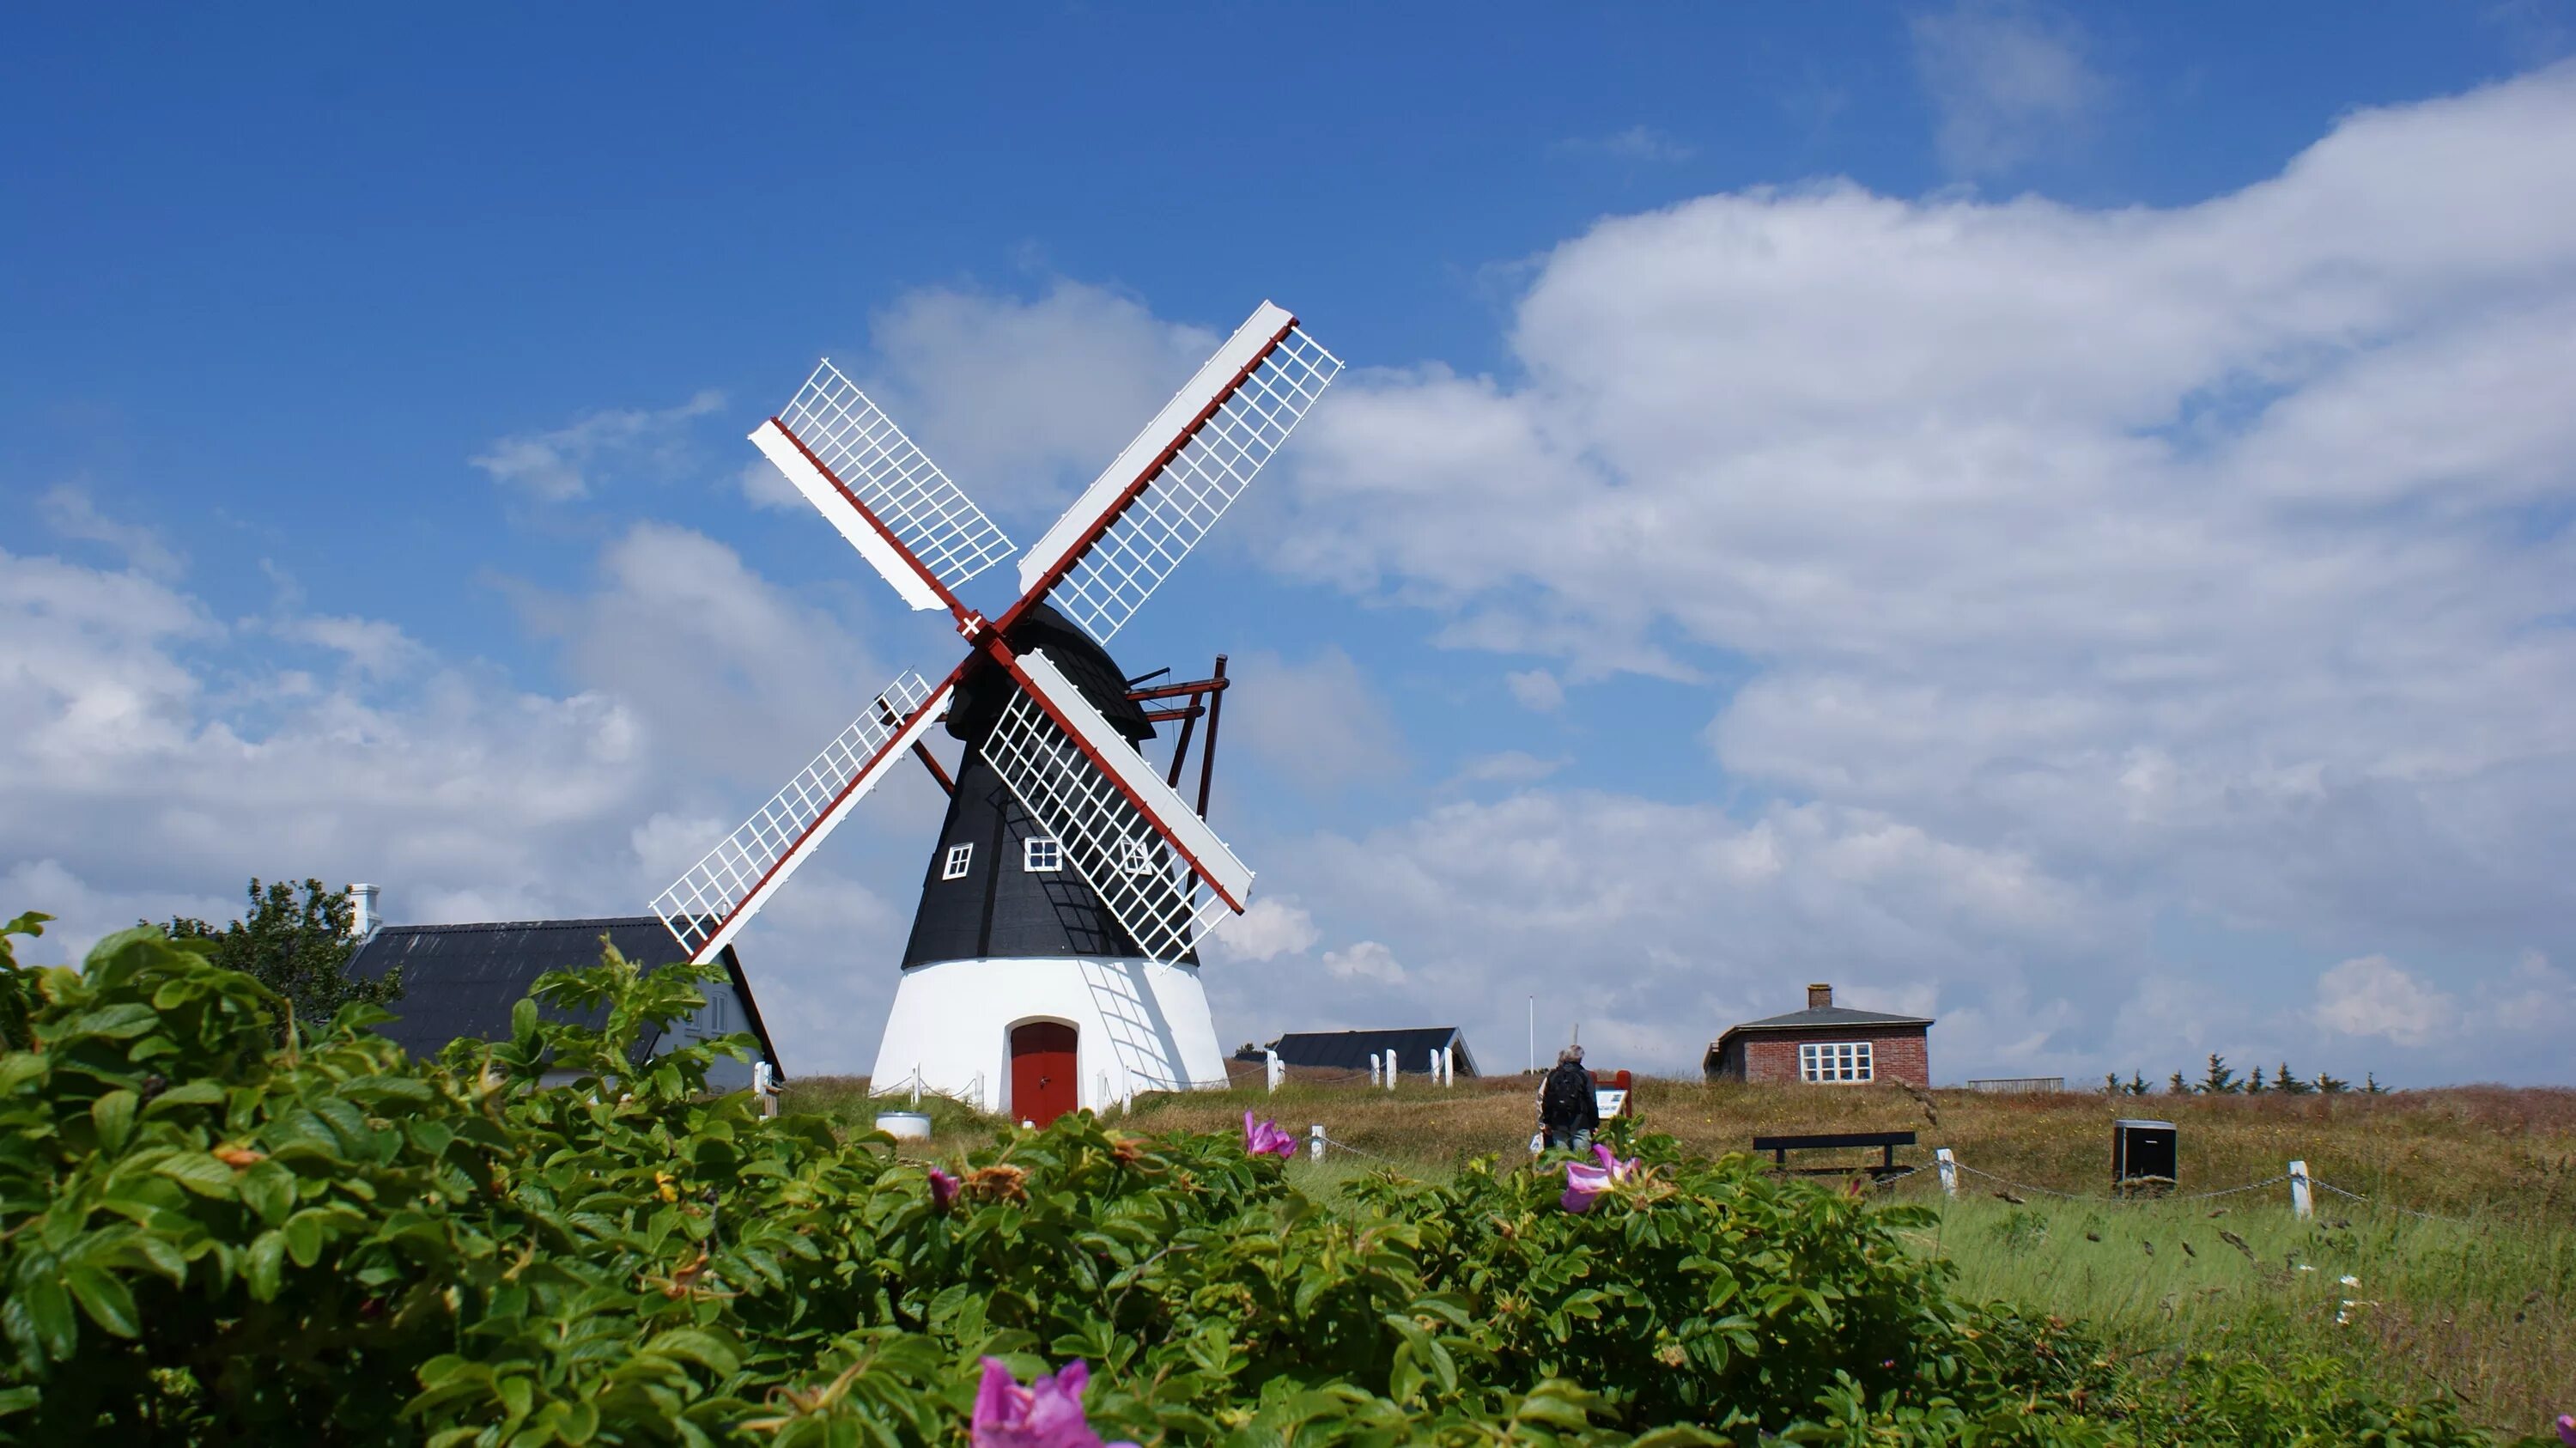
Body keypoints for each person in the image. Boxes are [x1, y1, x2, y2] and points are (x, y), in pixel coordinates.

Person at [1536, 1044, 1599, 1153]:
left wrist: (1547, 1122)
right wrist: (1594, 1124)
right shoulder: (1584, 1075)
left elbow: (1546, 1101)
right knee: (1580, 1162)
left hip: (1558, 1124)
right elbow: (1591, 1101)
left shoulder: (1553, 1075)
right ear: (1580, 1058)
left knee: (1562, 1162)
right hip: (1580, 1123)